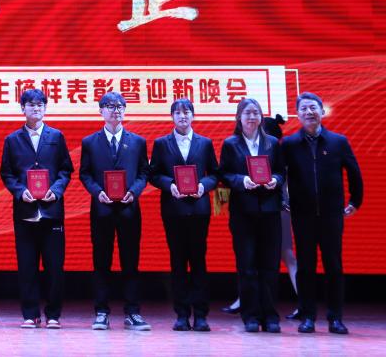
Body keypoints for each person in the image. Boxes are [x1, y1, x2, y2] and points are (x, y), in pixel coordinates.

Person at [282, 92, 363, 335]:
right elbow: (278, 174)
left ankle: (335, 318)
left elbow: (354, 172)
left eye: (313, 108)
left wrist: (355, 201)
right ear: (298, 115)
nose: (309, 112)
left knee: (333, 266)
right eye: (304, 109)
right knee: (306, 267)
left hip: (331, 215)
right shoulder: (289, 144)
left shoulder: (338, 142)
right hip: (303, 215)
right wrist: (282, 199)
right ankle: (307, 317)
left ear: (322, 111)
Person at [0, 88, 73, 328]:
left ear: (45, 108)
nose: (36, 108)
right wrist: (20, 191)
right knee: (27, 267)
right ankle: (30, 314)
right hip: (25, 212)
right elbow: (7, 173)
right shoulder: (12, 139)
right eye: (31, 105)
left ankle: (53, 315)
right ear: (23, 108)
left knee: (54, 267)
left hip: (52, 211)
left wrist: (57, 190)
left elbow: (65, 170)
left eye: (40, 104)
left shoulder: (56, 136)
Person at [79, 91, 151, 331]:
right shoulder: (90, 142)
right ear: (101, 111)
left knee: (130, 262)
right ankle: (101, 312)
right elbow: (85, 174)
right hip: (102, 209)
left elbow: (144, 173)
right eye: (110, 106)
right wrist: (97, 191)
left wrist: (135, 191)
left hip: (129, 209)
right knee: (101, 262)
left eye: (120, 106)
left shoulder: (138, 141)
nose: (116, 110)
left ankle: (133, 312)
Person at [148, 98, 219, 331]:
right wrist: (170, 185)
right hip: (173, 210)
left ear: (193, 115)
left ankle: (201, 315)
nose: (182, 116)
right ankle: (181, 314)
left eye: (187, 112)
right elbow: (153, 174)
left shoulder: (205, 143)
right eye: (178, 113)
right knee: (178, 262)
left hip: (199, 209)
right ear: (172, 117)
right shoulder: (161, 143)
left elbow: (215, 174)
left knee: (198, 261)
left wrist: (203, 185)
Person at [218, 97, 284, 333]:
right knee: (246, 266)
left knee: (270, 266)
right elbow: (224, 174)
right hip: (242, 212)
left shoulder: (272, 143)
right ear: (239, 117)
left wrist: (275, 180)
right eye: (247, 113)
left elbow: (281, 172)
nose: (252, 117)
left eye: (256, 112)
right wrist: (242, 180)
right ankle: (251, 316)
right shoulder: (230, 144)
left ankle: (271, 317)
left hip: (270, 211)